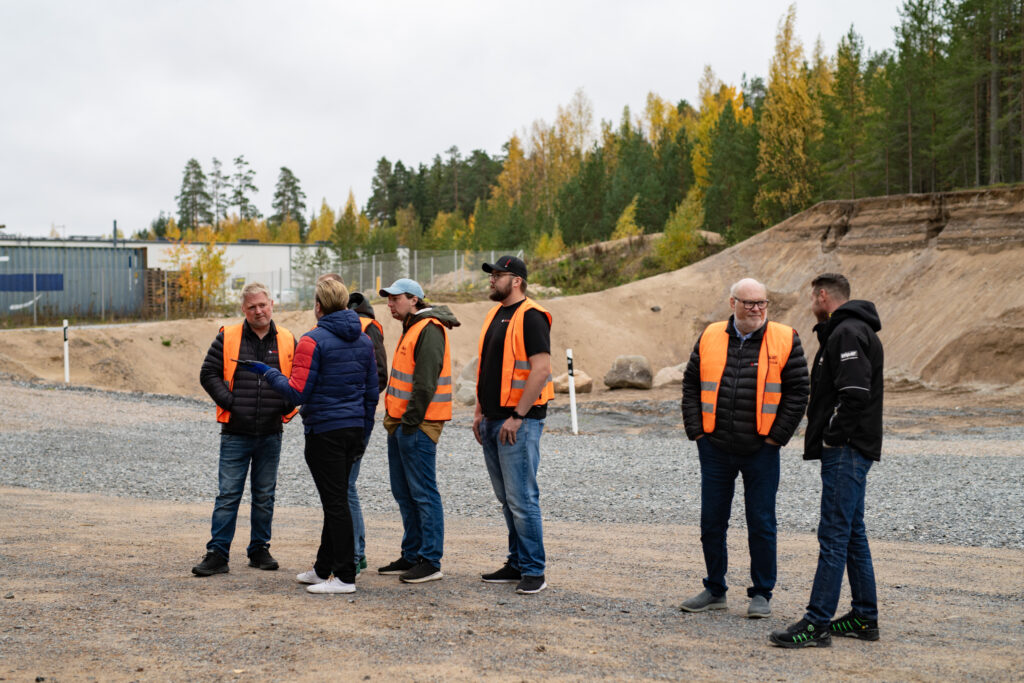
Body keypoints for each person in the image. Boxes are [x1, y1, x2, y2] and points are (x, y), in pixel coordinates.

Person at [680, 277, 809, 617]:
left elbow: (799, 393)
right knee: (711, 522)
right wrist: (697, 432)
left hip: (762, 450)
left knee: (762, 522)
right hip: (715, 447)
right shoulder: (710, 336)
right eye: (748, 302)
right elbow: (691, 384)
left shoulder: (785, 338)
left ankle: (762, 593)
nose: (755, 309)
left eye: (761, 303)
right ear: (732, 303)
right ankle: (715, 589)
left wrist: (776, 438)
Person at [770, 273, 884, 648]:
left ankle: (816, 623)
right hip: (853, 447)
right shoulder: (846, 330)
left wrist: (834, 435)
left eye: (812, 298)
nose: (811, 304)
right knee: (852, 532)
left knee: (834, 534)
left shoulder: (847, 332)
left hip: (847, 449)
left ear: (822, 295)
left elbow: (854, 393)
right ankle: (865, 617)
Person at [254, 278, 379, 595]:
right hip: (353, 430)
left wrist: (267, 373)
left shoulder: (313, 341)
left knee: (336, 503)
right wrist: (364, 433)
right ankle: (324, 568)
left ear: (319, 306)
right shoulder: (364, 340)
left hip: (325, 432)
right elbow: (371, 394)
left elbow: (297, 392)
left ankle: (346, 576)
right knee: (334, 500)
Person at [193, 282, 297, 577]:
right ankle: (217, 553)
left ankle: (259, 549)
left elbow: (301, 378)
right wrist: (231, 402)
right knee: (228, 494)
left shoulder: (288, 339)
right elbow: (208, 373)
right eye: (252, 307)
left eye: (262, 305)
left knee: (265, 494)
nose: (258, 311)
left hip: (270, 432)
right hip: (236, 432)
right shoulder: (229, 336)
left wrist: (287, 407)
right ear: (244, 309)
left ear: (272, 304)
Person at [473, 255, 553, 595]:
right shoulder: (495, 314)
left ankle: (534, 570)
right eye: (491, 275)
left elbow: (541, 369)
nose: (492, 279)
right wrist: (478, 412)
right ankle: (516, 563)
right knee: (507, 498)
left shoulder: (531, 316)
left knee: (522, 499)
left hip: (517, 422)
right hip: (492, 420)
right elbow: (486, 369)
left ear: (516, 280)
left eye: (498, 274)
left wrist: (517, 417)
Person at [376, 278, 460, 584]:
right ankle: (412, 554)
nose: (390, 304)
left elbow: (425, 383)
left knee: (423, 492)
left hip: (418, 424)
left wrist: (409, 423)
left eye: (395, 298)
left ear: (414, 299)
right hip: (403, 423)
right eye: (389, 299)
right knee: (404, 492)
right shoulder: (413, 327)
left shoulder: (429, 329)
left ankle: (430, 560)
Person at [317, 273, 389, 576]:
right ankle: (332, 560)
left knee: (344, 490)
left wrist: (346, 400)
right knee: (340, 491)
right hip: (347, 420)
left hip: (348, 423)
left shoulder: (366, 329)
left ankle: (355, 554)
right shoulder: (337, 329)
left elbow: (378, 375)